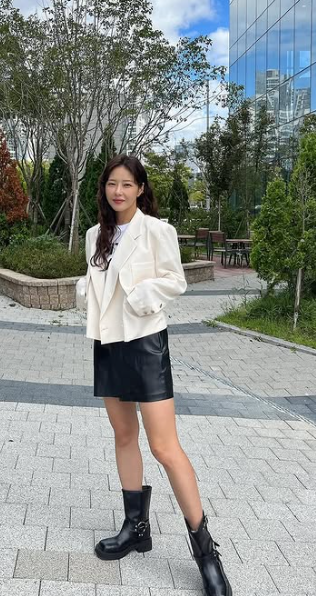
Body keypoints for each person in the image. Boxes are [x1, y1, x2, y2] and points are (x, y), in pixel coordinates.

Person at [76, 155, 231, 596]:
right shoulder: (95, 234)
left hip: (145, 344)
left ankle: (206, 554)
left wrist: (142, 294)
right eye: (112, 183)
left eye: (127, 184)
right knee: (124, 436)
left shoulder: (157, 231)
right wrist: (86, 287)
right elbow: (96, 278)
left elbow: (175, 280)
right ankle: (135, 528)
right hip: (108, 343)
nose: (118, 191)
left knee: (165, 447)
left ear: (141, 189)